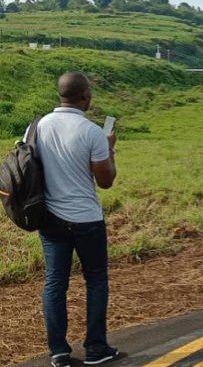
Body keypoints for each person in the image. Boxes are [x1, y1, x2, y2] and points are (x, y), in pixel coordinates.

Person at [35, 72, 118, 367]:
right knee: (95, 280)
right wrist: (110, 147)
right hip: (86, 220)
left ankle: (59, 352)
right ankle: (96, 348)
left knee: (55, 282)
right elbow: (106, 181)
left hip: (50, 218)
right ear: (85, 96)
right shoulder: (92, 132)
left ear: (61, 95)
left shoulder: (38, 126)